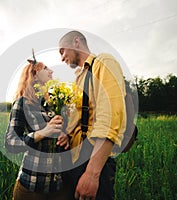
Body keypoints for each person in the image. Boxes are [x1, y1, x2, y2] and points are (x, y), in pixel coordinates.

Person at [59, 30, 127, 199]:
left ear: (76, 42)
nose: (61, 58)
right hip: (76, 158)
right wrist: (67, 133)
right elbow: (81, 118)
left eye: (62, 51)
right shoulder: (79, 78)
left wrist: (92, 174)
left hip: (93, 161)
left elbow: (109, 118)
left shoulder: (103, 63)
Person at [5, 52, 72, 200]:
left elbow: (64, 133)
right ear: (34, 75)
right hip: (31, 187)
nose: (51, 71)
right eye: (46, 68)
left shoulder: (55, 102)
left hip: (59, 187)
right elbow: (10, 143)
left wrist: (65, 137)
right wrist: (41, 133)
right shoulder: (23, 103)